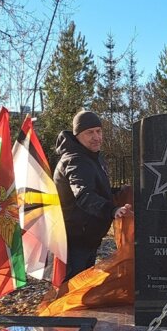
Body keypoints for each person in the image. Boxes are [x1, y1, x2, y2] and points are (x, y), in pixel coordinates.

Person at [53, 110, 132, 282]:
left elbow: (98, 189)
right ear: (77, 134)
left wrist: (119, 192)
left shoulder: (92, 156)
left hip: (87, 238)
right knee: (72, 290)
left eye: (99, 131)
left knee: (81, 289)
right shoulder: (75, 160)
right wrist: (113, 209)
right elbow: (84, 195)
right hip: (74, 241)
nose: (96, 137)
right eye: (90, 132)